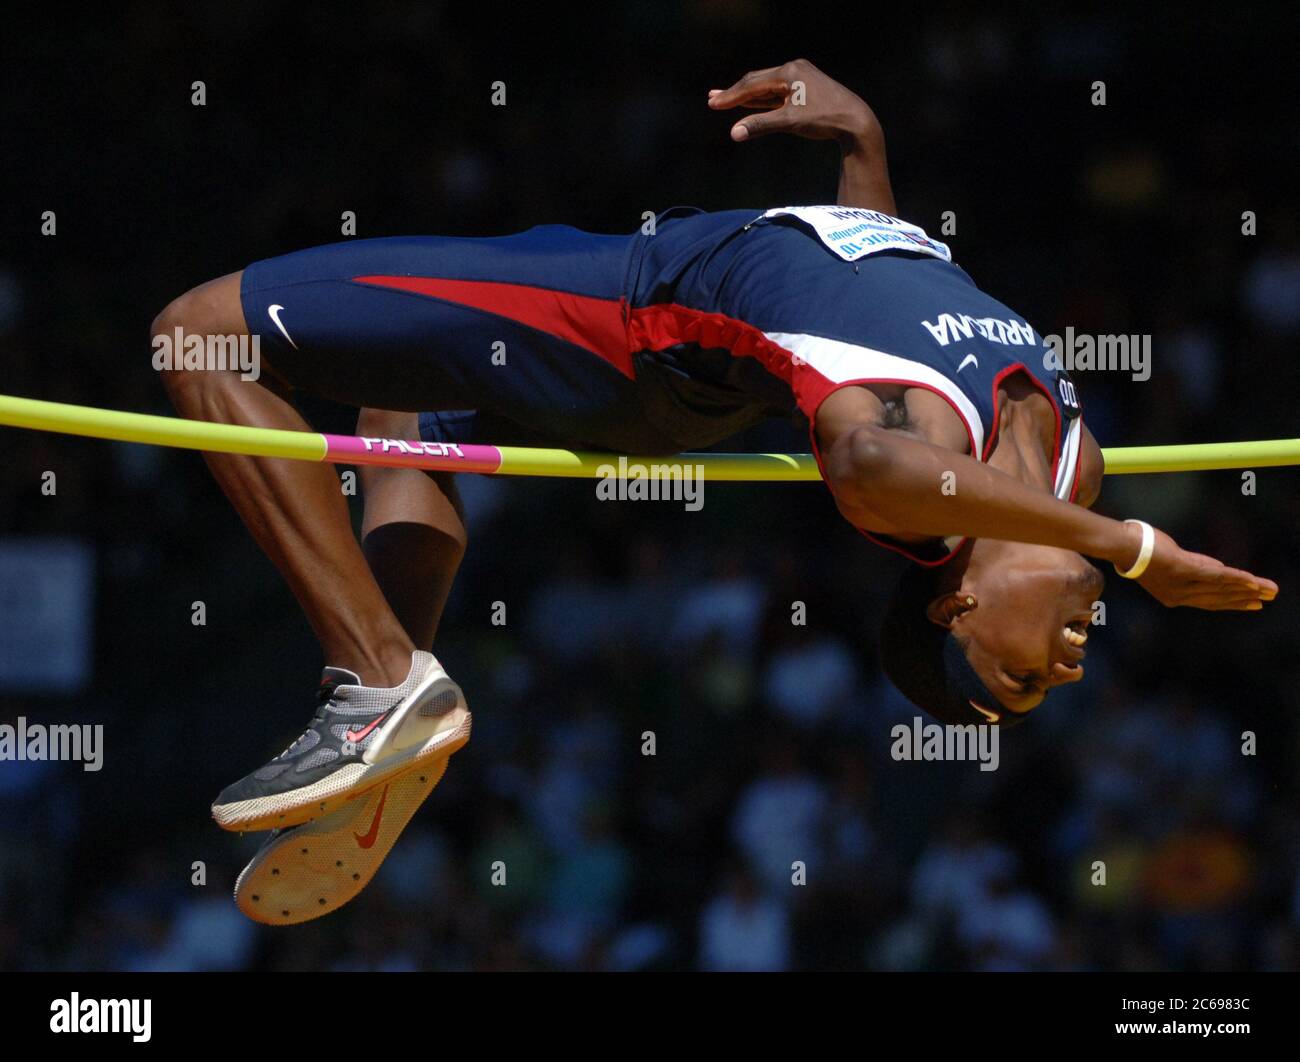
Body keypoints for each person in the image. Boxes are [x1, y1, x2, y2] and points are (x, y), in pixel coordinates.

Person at [152, 60, 1275, 921]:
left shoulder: (920, 498)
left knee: (198, 337)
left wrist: (1135, 551)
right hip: (664, 345)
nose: (1068, 661)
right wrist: (864, 142)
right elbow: (882, 274)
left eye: (1023, 672)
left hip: (622, 327)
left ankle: (374, 686)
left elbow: (878, 458)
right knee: (407, 400)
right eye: (1049, 677)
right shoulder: (1077, 463)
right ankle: (397, 699)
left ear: (957, 605)